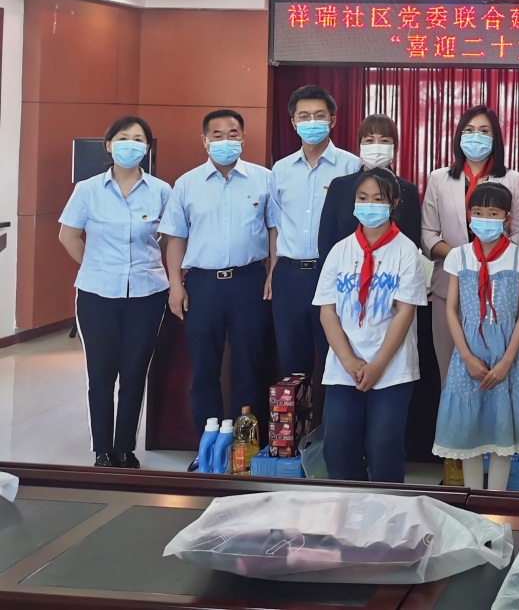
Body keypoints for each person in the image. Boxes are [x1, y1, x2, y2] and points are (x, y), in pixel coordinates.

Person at [159, 109, 276, 468]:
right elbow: (175, 238)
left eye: (233, 133)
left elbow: (274, 230)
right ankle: (207, 451)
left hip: (249, 282)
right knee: (204, 371)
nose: (226, 140)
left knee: (249, 369)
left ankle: (245, 451)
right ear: (205, 140)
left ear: (243, 137)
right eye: (218, 134)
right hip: (203, 285)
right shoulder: (186, 184)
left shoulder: (264, 179)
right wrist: (175, 284)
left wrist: (273, 273)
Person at [58, 116, 170, 468]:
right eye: (123, 138)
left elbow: (170, 238)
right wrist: (96, 265)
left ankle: (125, 447)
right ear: (109, 145)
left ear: (147, 148)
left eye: (138, 139)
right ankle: (102, 450)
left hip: (147, 294)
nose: (130, 144)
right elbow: (68, 236)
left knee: (135, 373)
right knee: (101, 375)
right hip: (97, 294)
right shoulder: (87, 189)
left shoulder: (161, 191)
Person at [314, 169, 427, 483]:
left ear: (394, 203)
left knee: (384, 446)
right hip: (344, 368)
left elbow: (404, 313)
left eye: (378, 199)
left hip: (391, 367)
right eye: (363, 198)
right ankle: (348, 506)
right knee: (338, 446)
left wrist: (377, 365)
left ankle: (387, 508)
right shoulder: (340, 251)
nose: (369, 205)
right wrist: (349, 360)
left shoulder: (407, 252)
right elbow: (327, 311)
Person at [434, 183, 519, 490]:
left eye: (493, 213)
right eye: (478, 212)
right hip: (469, 352)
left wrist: (507, 361)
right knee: (469, 433)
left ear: (507, 217)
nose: (485, 219)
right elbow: (451, 309)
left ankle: (497, 502)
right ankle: (473, 500)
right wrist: (466, 356)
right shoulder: (459, 256)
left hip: (508, 353)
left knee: (503, 436)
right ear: (469, 216)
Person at [422, 105, 519, 384]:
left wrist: (493, 259)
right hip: (448, 288)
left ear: (495, 138)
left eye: (483, 131)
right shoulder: (439, 178)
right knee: (451, 374)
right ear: (458, 136)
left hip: (499, 289)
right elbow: (428, 234)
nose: (475, 136)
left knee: (494, 375)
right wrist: (465, 259)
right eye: (468, 130)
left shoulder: (512, 179)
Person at [269, 85, 360, 379]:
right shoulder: (280, 170)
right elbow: (276, 225)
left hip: (335, 274)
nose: (312, 122)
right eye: (304, 116)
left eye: (319, 116)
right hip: (290, 276)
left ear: (332, 120)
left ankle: (329, 412)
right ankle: (299, 413)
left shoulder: (352, 166)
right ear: (293, 122)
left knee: (338, 359)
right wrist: (273, 271)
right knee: (292, 363)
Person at [318, 114, 422, 258]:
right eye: (369, 140)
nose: (377, 146)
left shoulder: (407, 191)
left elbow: (413, 243)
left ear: (394, 147)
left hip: (393, 270)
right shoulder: (339, 187)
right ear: (360, 145)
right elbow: (326, 241)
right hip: (344, 269)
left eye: (384, 141)